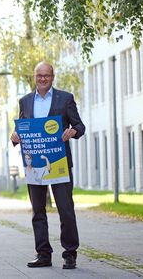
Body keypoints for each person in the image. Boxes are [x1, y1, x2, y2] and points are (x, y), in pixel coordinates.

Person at [11, 62, 85, 269]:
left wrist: (73, 131)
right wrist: (15, 136)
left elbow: (79, 125)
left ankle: (70, 253)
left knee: (66, 209)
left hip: (59, 161)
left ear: (52, 77)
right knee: (38, 211)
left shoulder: (65, 98)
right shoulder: (25, 101)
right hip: (34, 164)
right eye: (39, 75)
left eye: (47, 75)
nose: (43, 79)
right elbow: (22, 128)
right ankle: (43, 254)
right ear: (34, 77)